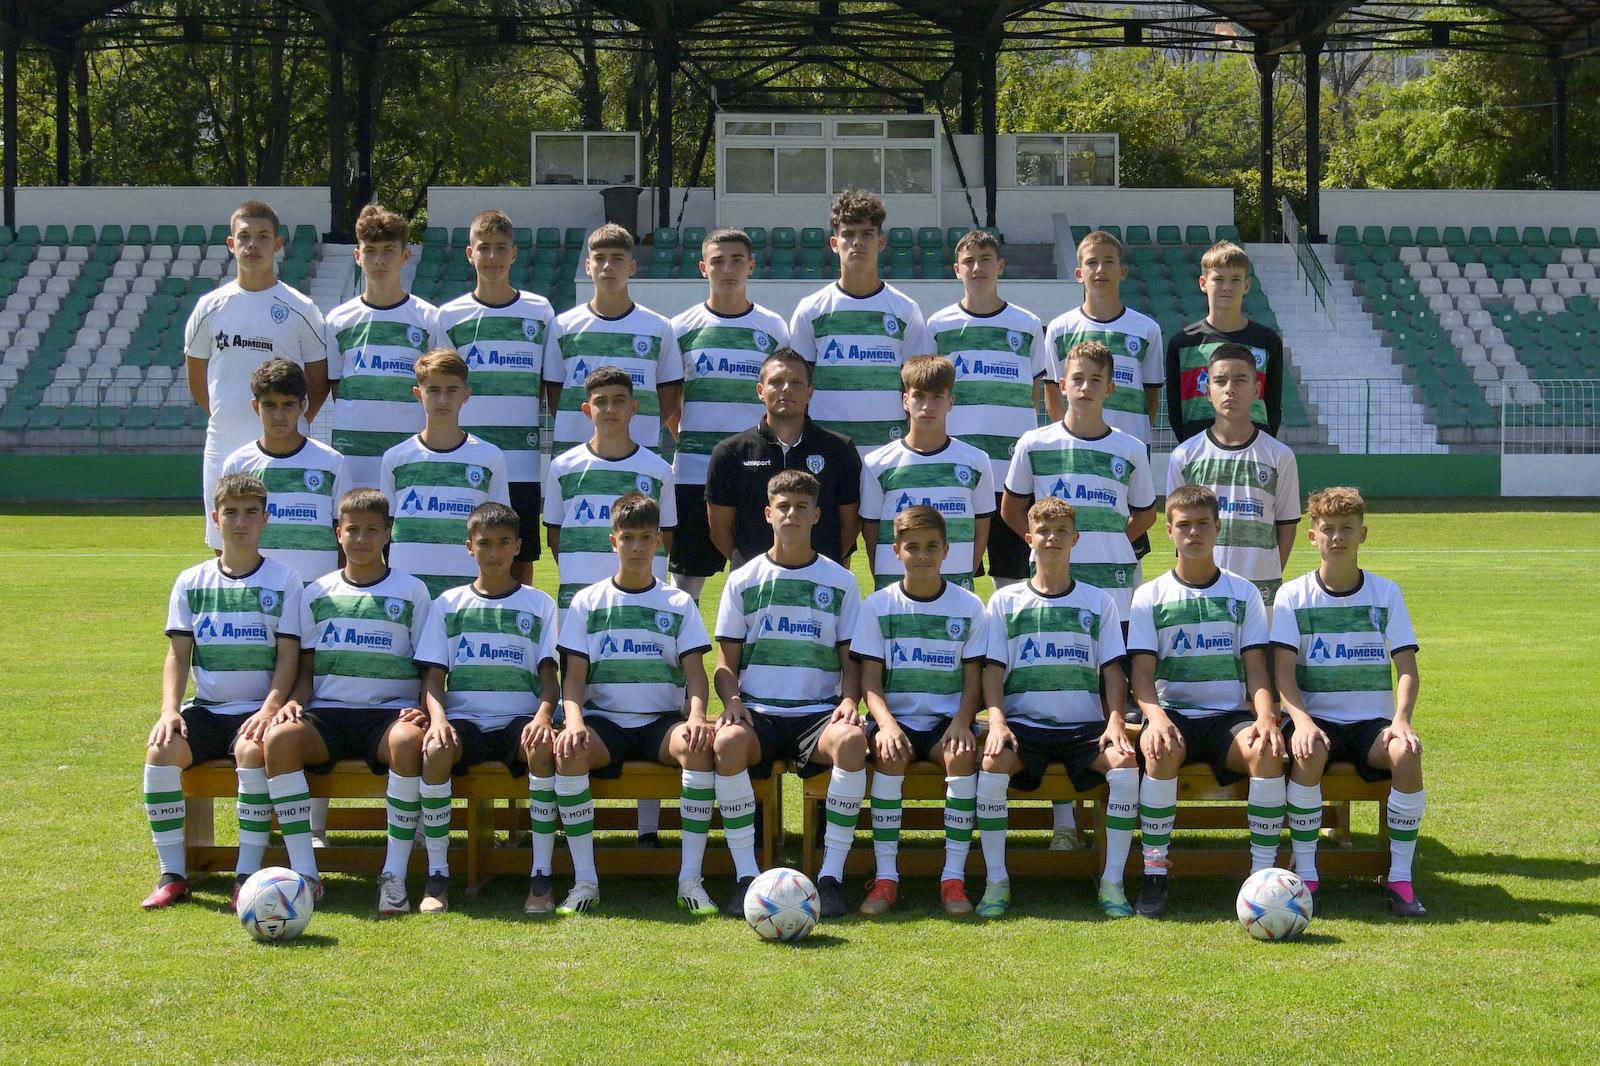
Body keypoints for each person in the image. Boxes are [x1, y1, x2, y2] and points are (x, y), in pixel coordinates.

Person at [262, 488, 438, 914]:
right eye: (352, 530)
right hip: (328, 714)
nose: (361, 539)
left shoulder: (412, 591)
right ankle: (306, 875)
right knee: (279, 739)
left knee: (408, 742)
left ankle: (394, 875)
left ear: (388, 533)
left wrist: (423, 709)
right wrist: (292, 703)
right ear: (337, 533)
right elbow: (306, 671)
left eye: (372, 530)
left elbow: (428, 667)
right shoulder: (316, 593)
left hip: (389, 714)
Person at [140, 474, 303, 910]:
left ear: (266, 519)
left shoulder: (285, 580)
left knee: (252, 752)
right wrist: (169, 710)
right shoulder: (191, 581)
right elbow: (178, 654)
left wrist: (269, 709)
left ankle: (245, 876)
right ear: (215, 518)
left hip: (258, 711)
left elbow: (289, 655)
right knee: (161, 750)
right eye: (231, 512)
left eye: (251, 512)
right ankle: (172, 874)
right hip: (209, 710)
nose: (240, 522)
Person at [710, 470, 866, 918]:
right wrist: (732, 701)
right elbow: (725, 664)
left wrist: (849, 701)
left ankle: (831, 877)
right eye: (783, 506)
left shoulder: (840, 581)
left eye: (801, 506)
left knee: (852, 741)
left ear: (816, 515)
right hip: (758, 712)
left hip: (818, 714)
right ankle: (746, 876)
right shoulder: (744, 579)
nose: (791, 514)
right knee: (727, 742)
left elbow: (851, 662)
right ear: (768, 513)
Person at [551, 493, 716, 915]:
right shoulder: (588, 602)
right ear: (613, 541)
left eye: (646, 537)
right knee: (569, 752)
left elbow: (696, 675)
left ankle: (690, 880)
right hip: (604, 723)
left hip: (661, 723)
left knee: (698, 747)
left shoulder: (677, 602)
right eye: (628, 537)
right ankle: (585, 881)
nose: (637, 547)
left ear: (659, 541)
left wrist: (697, 715)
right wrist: (573, 721)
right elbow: (573, 678)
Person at [1126, 484, 1285, 919]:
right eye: (1183, 525)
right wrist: (1155, 717)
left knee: (1267, 749)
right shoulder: (1150, 595)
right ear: (1169, 532)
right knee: (1159, 748)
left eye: (1202, 524)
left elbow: (1257, 670)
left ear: (1217, 528)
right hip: (1172, 714)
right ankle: (1155, 872)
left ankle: (1262, 877)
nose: (1193, 532)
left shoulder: (1243, 592)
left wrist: (1266, 717)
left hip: (1227, 719)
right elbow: (1141, 675)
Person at [977, 496, 1139, 918]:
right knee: (992, 765)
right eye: (1044, 531)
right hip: (1024, 726)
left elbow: (1112, 671)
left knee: (1124, 765)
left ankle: (1113, 882)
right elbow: (993, 671)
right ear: (1028, 538)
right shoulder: (1005, 601)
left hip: (1084, 728)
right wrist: (997, 720)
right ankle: (996, 881)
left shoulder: (1098, 602)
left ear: (1075, 538)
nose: (1052, 538)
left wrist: (1115, 720)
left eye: (1061, 531)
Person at [1272, 487, 1427, 917]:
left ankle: (1400, 878)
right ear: (1312, 536)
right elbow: (1282, 673)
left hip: (1371, 725)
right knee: (1309, 750)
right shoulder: (1293, 595)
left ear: (1363, 534)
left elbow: (1407, 669)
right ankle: (1307, 876)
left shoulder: (1386, 593)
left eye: (1346, 528)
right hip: (1314, 719)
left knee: (1407, 753)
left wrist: (1401, 720)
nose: (1337, 537)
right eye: (1328, 529)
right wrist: (1302, 720)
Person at [415, 502, 561, 915]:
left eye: (502, 543)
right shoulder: (448, 604)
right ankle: (437, 876)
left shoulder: (539, 604)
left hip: (520, 721)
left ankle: (541, 877)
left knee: (542, 746)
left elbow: (550, 678)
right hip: (465, 720)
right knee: (435, 748)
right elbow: (433, 678)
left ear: (517, 546)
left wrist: (543, 717)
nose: (493, 553)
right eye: (484, 544)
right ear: (469, 547)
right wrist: (438, 719)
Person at [849, 506, 989, 916]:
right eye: (912, 547)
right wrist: (886, 725)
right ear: (896, 551)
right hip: (896, 719)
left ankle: (953, 879)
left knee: (961, 754)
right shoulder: (878, 606)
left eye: (931, 546)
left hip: (948, 721)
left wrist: (962, 722)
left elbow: (974, 679)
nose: (922, 555)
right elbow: (869, 682)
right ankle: (887, 879)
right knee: (889, 753)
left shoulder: (969, 606)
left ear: (946, 550)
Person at [184, 199, 329, 549]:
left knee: (287, 543)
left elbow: (318, 383)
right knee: (225, 547)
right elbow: (197, 381)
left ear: (277, 244)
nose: (253, 245)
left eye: (263, 236)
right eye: (245, 236)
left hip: (287, 450)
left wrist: (288, 424)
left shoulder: (302, 308)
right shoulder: (209, 307)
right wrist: (228, 416)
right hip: (224, 444)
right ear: (231, 244)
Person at [925, 228, 1058, 591]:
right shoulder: (938, 326)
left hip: (1010, 471)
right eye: (968, 261)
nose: (977, 268)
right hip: (957, 471)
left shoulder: (1027, 324)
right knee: (951, 573)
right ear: (957, 269)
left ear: (1000, 265)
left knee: (1012, 578)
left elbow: (1032, 392)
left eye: (985, 260)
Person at [668, 227, 790, 601]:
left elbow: (781, 399)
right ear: (703, 267)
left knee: (759, 578)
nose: (727, 269)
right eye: (718, 261)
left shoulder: (773, 328)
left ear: (751, 266)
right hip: (693, 472)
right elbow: (671, 402)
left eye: (736, 260)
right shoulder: (680, 328)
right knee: (685, 586)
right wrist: (690, 442)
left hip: (756, 472)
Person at [435, 208, 555, 585]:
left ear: (513, 254)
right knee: (469, 555)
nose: (492, 256)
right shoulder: (449, 316)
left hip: (521, 462)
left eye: (501, 248)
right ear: (469, 254)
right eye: (483, 247)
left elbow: (547, 382)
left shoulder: (540, 311)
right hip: (469, 459)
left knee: (520, 556)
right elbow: (442, 386)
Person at [1001, 341, 1156, 624]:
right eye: (1077, 378)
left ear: (1109, 388)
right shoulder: (1034, 444)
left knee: (1114, 652)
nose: (1085, 387)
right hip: (1052, 578)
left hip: (1112, 579)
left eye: (1096, 380)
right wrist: (1043, 542)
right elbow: (1010, 510)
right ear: (1062, 385)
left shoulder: (1130, 449)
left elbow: (1146, 514)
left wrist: (1111, 540)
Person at [787, 188, 929, 459]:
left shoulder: (905, 310)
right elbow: (797, 385)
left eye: (867, 234)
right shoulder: (811, 310)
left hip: (889, 451)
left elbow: (917, 387)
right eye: (848, 234)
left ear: (881, 242)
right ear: (834, 243)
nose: (857, 242)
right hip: (827, 453)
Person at [1167, 343, 1300, 609]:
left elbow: (1286, 526)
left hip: (1261, 594)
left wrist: (1268, 575)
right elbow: (1178, 529)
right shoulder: (1184, 456)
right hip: (1203, 594)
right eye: (1220, 381)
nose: (1230, 388)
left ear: (1257, 390)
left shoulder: (1280, 456)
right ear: (1208, 391)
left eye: (1240, 380)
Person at [705, 348, 861, 570]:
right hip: (755, 580)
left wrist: (819, 567)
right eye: (776, 382)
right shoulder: (729, 453)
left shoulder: (840, 450)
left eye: (796, 383)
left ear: (810, 392)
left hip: (820, 579)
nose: (786, 388)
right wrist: (756, 570)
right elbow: (720, 531)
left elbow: (850, 525)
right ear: (760, 391)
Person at [379, 349, 511, 598]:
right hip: (409, 591)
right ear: (418, 394)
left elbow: (499, 528)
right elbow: (387, 527)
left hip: (467, 592)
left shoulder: (490, 457)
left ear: (466, 395)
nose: (443, 399)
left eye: (452, 390)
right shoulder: (395, 458)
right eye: (433, 390)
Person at [324, 202, 437, 491]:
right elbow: (338, 388)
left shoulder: (428, 319)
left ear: (405, 256)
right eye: (370, 251)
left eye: (388, 251)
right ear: (357, 256)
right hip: (353, 457)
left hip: (410, 455)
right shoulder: (338, 320)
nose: (379, 260)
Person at [544, 365, 676, 611]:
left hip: (642, 599)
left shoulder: (659, 470)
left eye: (619, 400)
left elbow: (665, 536)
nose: (610, 409)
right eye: (601, 401)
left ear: (633, 407)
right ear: (587, 410)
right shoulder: (562, 467)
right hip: (580, 596)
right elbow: (555, 536)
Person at [544, 223, 682, 456]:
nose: (607, 266)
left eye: (617, 258)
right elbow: (555, 395)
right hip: (575, 455)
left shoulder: (659, 327)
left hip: (639, 454)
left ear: (632, 267)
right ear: (588, 267)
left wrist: (636, 431)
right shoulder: (563, 326)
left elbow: (669, 399)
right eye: (599, 258)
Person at [859, 355, 996, 590]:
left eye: (937, 397)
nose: (927, 406)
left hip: (955, 590)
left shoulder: (976, 461)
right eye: (919, 396)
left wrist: (961, 577)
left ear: (950, 402)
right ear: (905, 400)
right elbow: (871, 532)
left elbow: (981, 531)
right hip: (896, 592)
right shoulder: (877, 463)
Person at [220, 359, 346, 584]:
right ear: (255, 407)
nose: (278, 415)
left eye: (288, 405)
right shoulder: (238, 465)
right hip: (260, 592)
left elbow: (345, 536)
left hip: (319, 592)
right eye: (269, 405)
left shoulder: (332, 462)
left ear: (302, 406)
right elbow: (230, 538)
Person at [1047, 230, 1164, 451]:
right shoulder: (1060, 329)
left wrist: (1132, 440)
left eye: (1109, 261)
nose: (1100, 269)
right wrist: (1071, 437)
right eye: (1092, 262)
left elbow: (1151, 395)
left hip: (1130, 448)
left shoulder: (1147, 329)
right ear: (1079, 274)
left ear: (1122, 272)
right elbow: (1053, 393)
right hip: (1076, 447)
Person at [1165, 240, 1283, 442]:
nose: (1227, 287)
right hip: (1198, 450)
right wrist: (1189, 442)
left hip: (1254, 452)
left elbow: (1272, 406)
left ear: (1247, 285)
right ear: (1203, 283)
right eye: (1218, 279)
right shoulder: (1183, 342)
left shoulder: (1267, 341)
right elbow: (1175, 408)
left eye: (1235, 279)